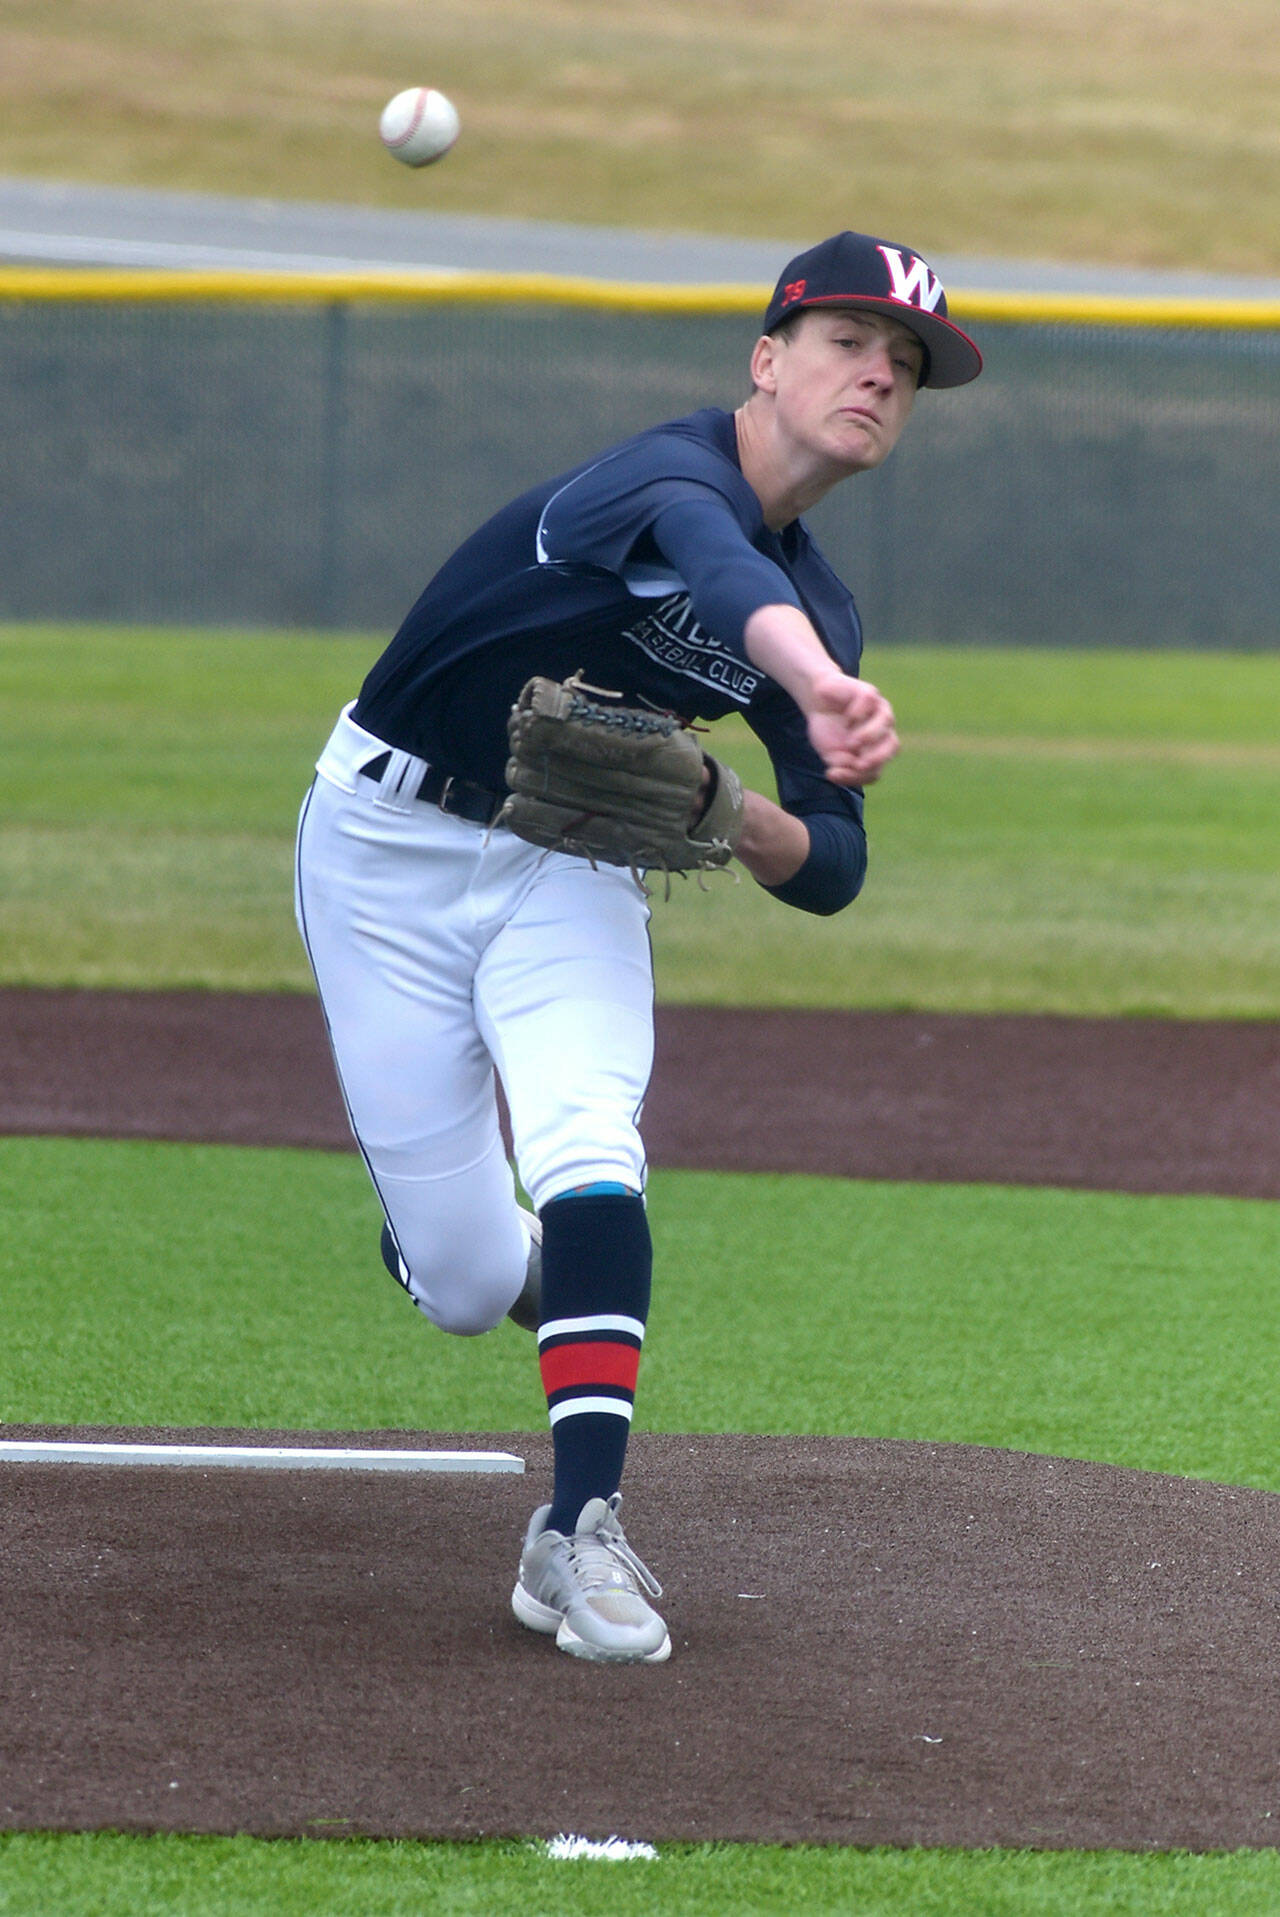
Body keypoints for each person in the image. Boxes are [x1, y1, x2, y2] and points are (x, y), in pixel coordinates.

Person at [294, 229, 983, 1665]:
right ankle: (506, 1267)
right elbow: (718, 567)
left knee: (591, 1137)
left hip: (570, 869)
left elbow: (834, 866)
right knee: (473, 1280)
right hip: (385, 854)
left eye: (905, 363)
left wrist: (734, 809)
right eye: (850, 340)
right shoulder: (656, 478)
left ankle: (578, 1530)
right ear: (766, 359)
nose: (878, 374)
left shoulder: (829, 607)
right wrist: (815, 680)